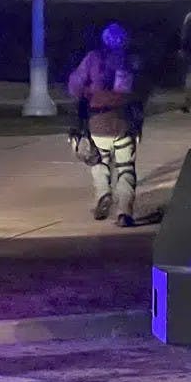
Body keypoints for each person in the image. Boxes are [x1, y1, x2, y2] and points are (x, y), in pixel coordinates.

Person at [68, 23, 145, 228]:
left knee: (99, 163)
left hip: (98, 122)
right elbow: (140, 92)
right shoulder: (130, 61)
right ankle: (125, 211)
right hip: (124, 122)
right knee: (126, 168)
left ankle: (103, 194)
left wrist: (88, 94)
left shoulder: (93, 58)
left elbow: (75, 86)